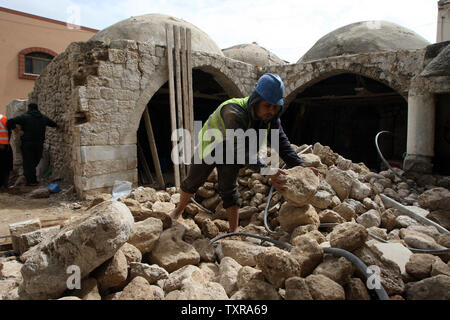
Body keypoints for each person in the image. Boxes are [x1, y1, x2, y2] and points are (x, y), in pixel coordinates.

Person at [170, 73, 318, 233]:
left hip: (233, 151)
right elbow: (240, 148)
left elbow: (282, 144)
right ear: (256, 100)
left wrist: (301, 167)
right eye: (267, 105)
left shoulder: (271, 118)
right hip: (211, 147)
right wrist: (268, 170)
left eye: (275, 107)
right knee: (193, 180)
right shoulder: (233, 112)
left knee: (229, 188)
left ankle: (233, 232)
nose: (271, 111)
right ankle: (177, 211)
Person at [7, 103, 58, 186]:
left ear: (29, 108)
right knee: (34, 162)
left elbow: (10, 121)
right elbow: (53, 124)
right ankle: (31, 180)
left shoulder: (24, 117)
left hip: (27, 144)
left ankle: (29, 180)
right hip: (39, 144)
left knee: (28, 163)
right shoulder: (42, 118)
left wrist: (17, 131)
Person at [0, 113, 13, 191]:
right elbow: (10, 130)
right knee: (6, 165)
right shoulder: (3, 118)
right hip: (3, 146)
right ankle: (5, 185)